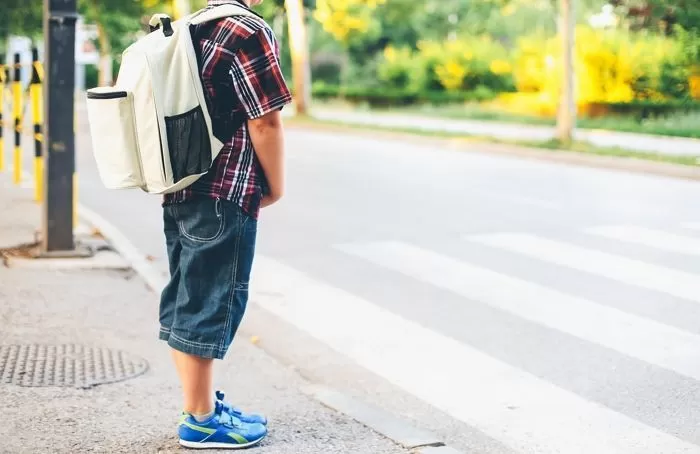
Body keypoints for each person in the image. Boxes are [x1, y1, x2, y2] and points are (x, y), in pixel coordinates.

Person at [157, 0, 292, 449]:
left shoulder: (190, 28)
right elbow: (266, 121)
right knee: (209, 304)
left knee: (187, 298)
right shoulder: (247, 29)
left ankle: (201, 407)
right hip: (225, 190)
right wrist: (274, 185)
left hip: (179, 187)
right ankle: (199, 420)